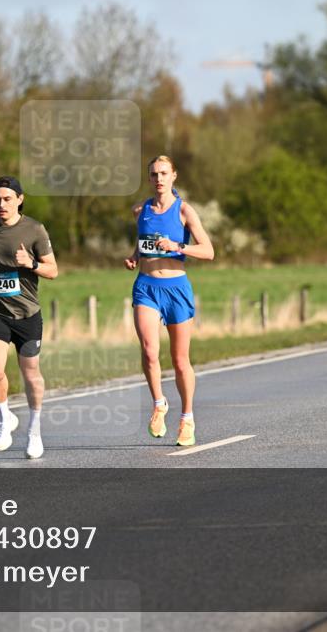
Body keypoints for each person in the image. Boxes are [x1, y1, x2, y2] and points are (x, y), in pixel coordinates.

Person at [124, 156, 214, 447]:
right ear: (149, 178)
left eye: (164, 173)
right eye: (153, 174)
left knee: (179, 359)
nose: (159, 178)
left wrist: (178, 246)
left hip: (176, 288)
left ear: (174, 176)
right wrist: (134, 257)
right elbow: (142, 242)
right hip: (146, 287)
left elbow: (208, 251)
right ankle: (159, 403)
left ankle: (187, 417)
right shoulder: (140, 211)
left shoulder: (185, 211)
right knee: (150, 352)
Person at [0, 176, 58, 458]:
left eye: (7, 199)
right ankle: (5, 417)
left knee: (31, 374)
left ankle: (34, 431)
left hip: (27, 314)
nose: (1, 204)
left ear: (19, 199)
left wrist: (30, 263)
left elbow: (52, 270)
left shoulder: (34, 230)